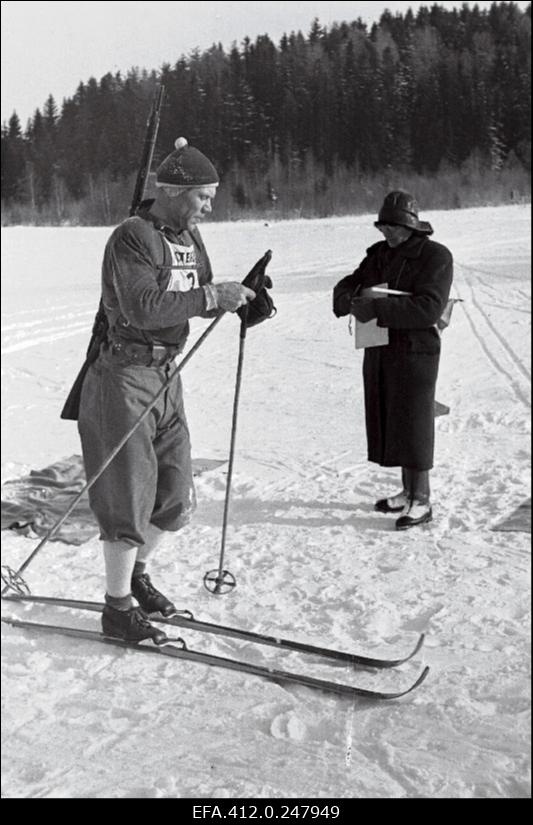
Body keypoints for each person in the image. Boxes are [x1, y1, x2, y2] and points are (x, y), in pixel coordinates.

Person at [78, 137, 255, 644]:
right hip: (123, 376)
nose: (209, 206)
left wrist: (243, 302)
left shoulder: (189, 237)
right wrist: (211, 296)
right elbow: (144, 307)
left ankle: (135, 576)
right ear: (175, 191)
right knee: (127, 497)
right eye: (203, 196)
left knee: (175, 495)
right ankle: (117, 608)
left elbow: (200, 291)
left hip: (166, 376)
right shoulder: (131, 237)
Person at [333, 190, 453, 530]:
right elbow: (353, 282)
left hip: (416, 349)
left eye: (395, 228)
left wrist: (377, 308)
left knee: (415, 421)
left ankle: (422, 499)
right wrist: (346, 297)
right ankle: (407, 491)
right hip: (381, 347)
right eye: (384, 227)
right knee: (394, 418)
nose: (388, 233)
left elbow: (429, 306)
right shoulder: (379, 254)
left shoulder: (436, 256)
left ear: (412, 226)